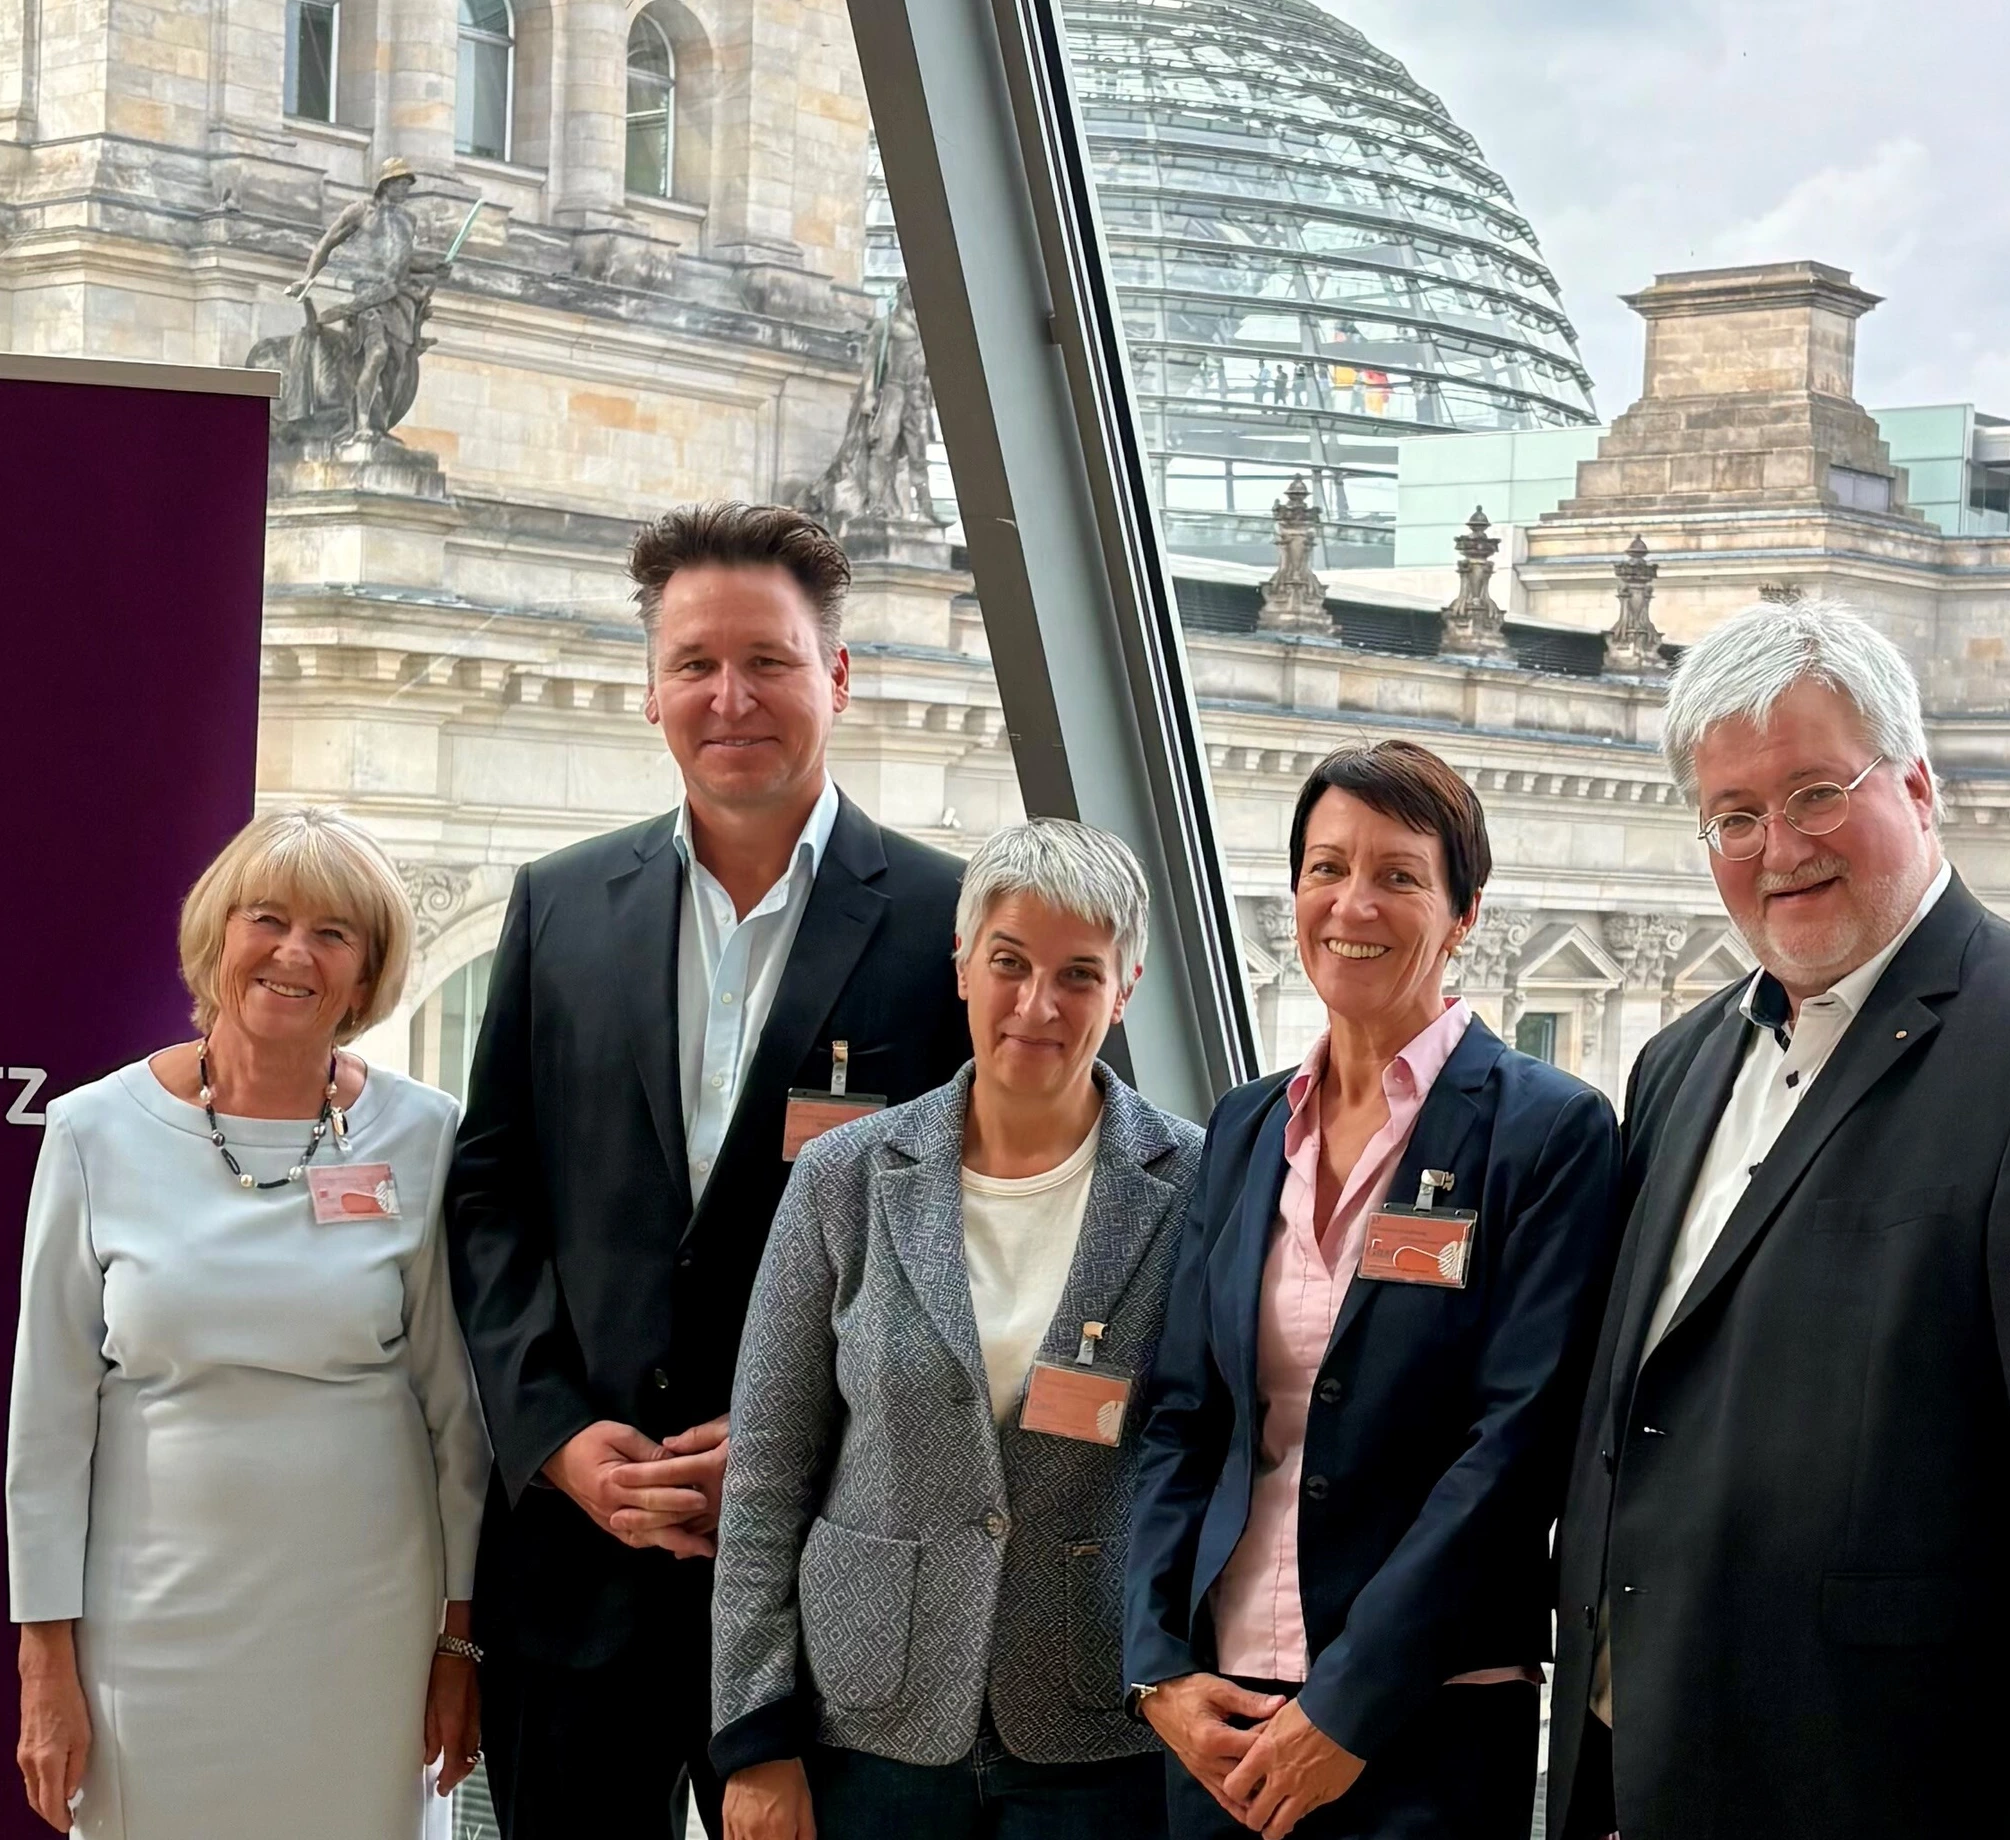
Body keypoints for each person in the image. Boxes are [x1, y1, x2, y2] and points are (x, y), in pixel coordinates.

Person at [1546, 598, 2010, 1840]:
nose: (1779, 845)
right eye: (1735, 817)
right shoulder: (1678, 1061)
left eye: (1816, 792)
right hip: (1638, 1764)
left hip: (1887, 1780)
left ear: (1916, 785)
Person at [446, 502, 969, 1840]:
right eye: (695, 663)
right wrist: (559, 1442)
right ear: (652, 689)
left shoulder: (947, 927)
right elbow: (491, 1196)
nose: (729, 698)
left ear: (836, 678)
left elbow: (987, 1227)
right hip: (582, 1568)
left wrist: (809, 1443)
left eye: (769, 661)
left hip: (830, 1576)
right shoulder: (557, 906)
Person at [1126, 740, 1625, 1840]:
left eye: (1399, 873)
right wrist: (1158, 1664)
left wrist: (1346, 1705)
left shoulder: (1546, 1130)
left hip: (1426, 1721)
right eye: (1325, 867)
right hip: (1220, 1717)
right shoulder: (1249, 1123)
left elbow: (1514, 1449)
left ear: (1464, 911)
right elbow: (1181, 1413)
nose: (1353, 901)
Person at [711, 818, 1206, 1840]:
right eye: (1010, 962)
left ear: (1128, 985)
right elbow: (765, 1472)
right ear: (963, 964)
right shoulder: (844, 1176)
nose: (1037, 1003)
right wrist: (754, 1733)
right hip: (867, 1721)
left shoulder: (1197, 1186)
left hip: (1096, 1722)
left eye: (1078, 973)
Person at [5, 807, 486, 1839]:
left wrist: (460, 1641)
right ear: (217, 937)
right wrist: (44, 1658)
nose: (292, 952)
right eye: (266, 917)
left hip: (370, 1638)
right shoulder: (93, 1130)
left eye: (333, 931)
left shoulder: (428, 1133)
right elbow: (46, 1429)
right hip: (150, 1628)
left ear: (367, 976)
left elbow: (461, 1419)